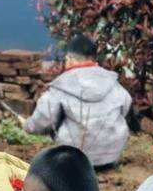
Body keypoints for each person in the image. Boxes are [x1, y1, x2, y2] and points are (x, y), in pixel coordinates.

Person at [21, 34, 131, 169]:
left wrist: (27, 125)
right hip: (111, 156)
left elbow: (44, 120)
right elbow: (126, 105)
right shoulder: (113, 82)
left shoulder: (61, 86)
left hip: (75, 159)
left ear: (70, 59)